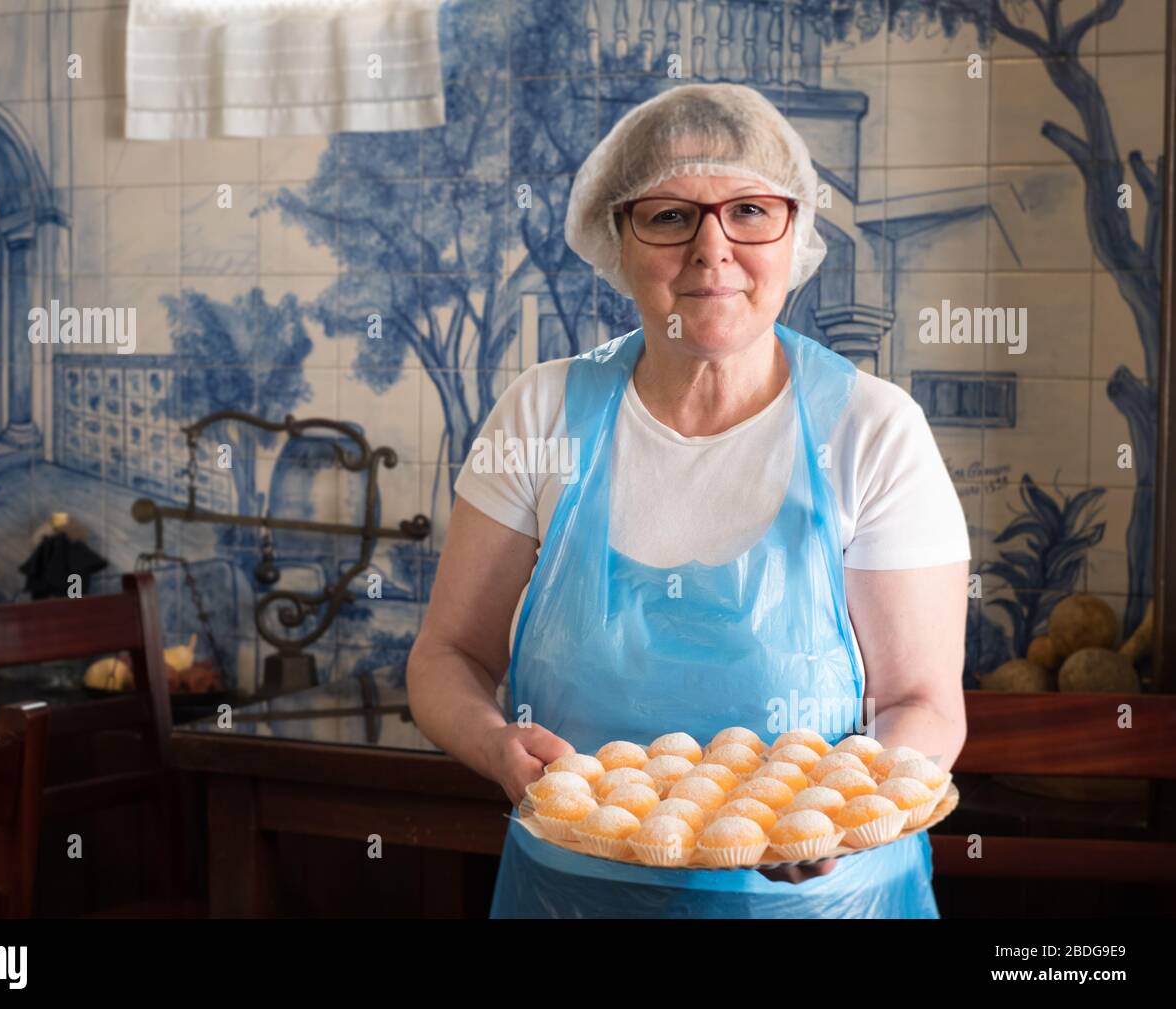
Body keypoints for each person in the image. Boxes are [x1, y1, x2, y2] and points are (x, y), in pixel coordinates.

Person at [407, 83, 970, 917]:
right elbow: (447, 654)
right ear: (618, 238)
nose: (713, 250)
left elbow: (921, 703)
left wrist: (835, 815)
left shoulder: (871, 429)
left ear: (795, 232)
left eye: (749, 210)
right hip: (568, 897)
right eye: (670, 216)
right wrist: (496, 747)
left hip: (832, 905)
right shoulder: (541, 412)